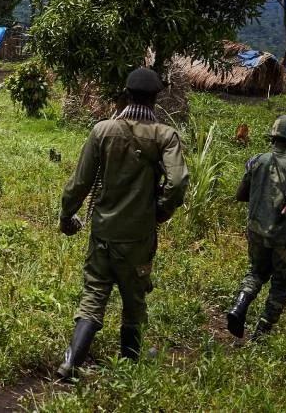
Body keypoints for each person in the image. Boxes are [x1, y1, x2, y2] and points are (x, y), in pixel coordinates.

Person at [55, 67, 188, 380]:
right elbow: (179, 181)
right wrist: (161, 211)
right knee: (134, 298)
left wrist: (65, 216)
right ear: (157, 98)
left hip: (102, 231)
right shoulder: (165, 136)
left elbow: (80, 182)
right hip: (138, 236)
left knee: (93, 295)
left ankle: (71, 362)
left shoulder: (103, 130)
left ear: (126, 94)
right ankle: (129, 364)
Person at [225, 115, 286, 340]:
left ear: (274, 137)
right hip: (283, 236)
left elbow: (240, 195)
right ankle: (261, 332)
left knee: (256, 271)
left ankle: (239, 305)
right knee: (283, 283)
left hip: (256, 230)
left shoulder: (256, 160)